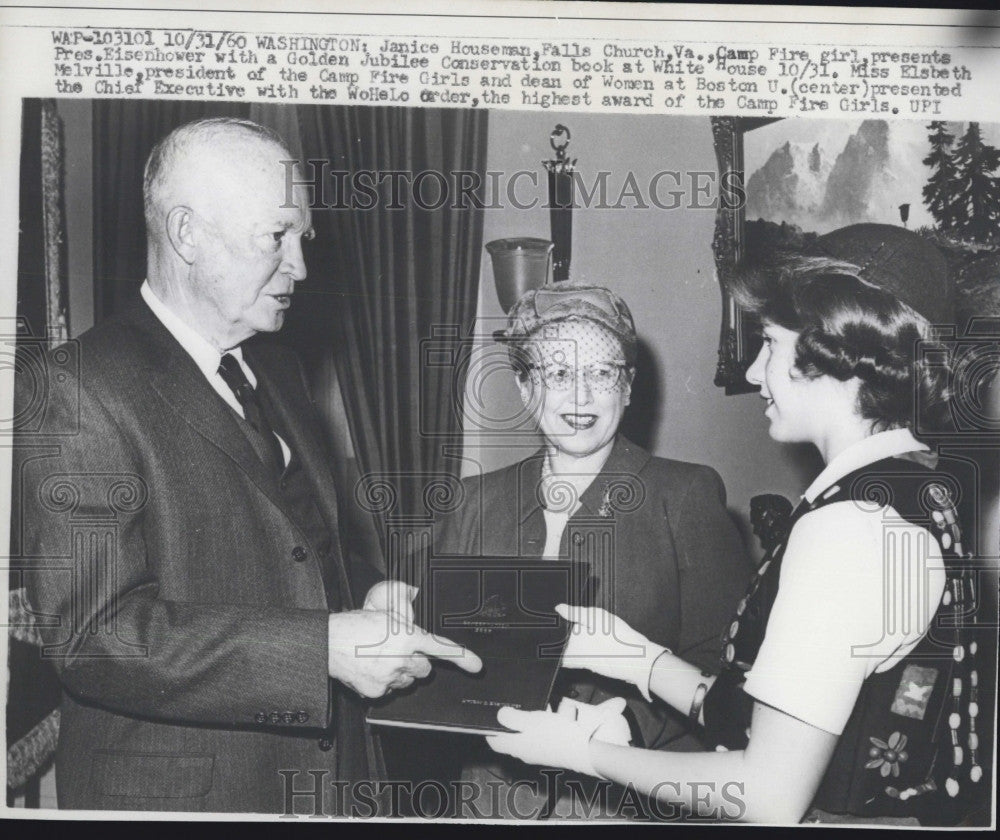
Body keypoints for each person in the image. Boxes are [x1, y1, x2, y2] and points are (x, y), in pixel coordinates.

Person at [13, 117, 480, 814]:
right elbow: (93, 637)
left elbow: (305, 554)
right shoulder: (78, 388)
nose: (301, 266)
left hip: (336, 781)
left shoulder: (280, 371)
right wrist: (321, 648)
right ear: (186, 234)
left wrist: (367, 598)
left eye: (303, 239)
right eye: (278, 237)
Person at [486, 225, 989, 825]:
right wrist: (636, 657)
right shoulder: (912, 489)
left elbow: (766, 795)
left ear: (831, 349)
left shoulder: (851, 530)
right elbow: (767, 717)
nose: (752, 372)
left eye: (770, 344)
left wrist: (585, 754)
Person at [422, 283, 751, 818]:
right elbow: (442, 653)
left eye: (602, 373)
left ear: (627, 388)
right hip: (494, 798)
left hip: (632, 797)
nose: (581, 397)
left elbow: (726, 669)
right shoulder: (476, 500)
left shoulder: (685, 495)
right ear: (526, 387)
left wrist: (630, 727)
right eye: (557, 374)